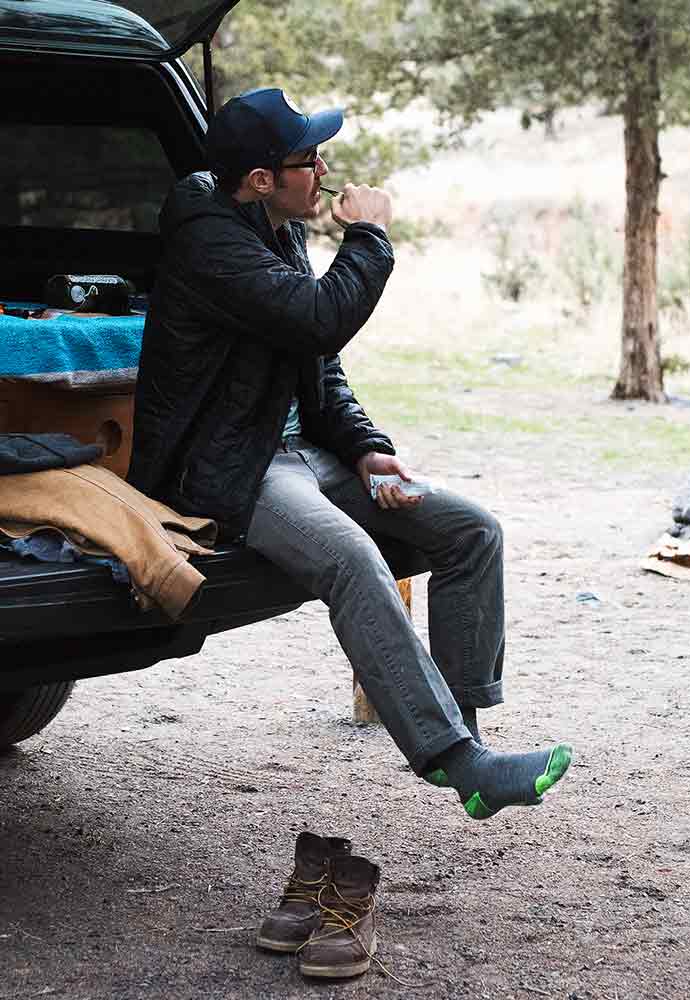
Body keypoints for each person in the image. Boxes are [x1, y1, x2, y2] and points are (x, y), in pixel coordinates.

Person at [128, 87, 572, 824]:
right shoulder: (209, 241)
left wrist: (367, 450)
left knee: (471, 530)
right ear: (264, 179)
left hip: (309, 453)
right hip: (234, 465)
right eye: (309, 159)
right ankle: (455, 760)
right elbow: (319, 315)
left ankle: (469, 739)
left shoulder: (278, 229)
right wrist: (369, 238)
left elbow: (318, 360)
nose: (325, 169)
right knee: (353, 558)